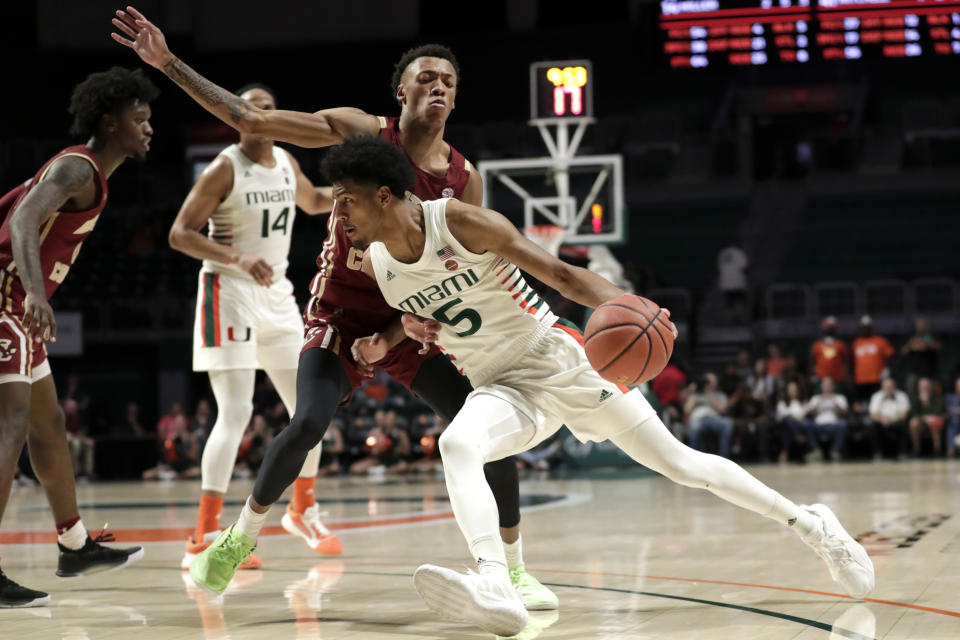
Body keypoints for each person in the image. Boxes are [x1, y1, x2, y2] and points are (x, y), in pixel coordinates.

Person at [331, 135, 873, 636]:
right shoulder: (379, 263)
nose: (339, 211)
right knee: (457, 444)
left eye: (345, 198)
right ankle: (495, 583)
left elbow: (562, 275)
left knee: (681, 464)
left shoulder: (462, 222)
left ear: (382, 196)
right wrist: (407, 328)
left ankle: (814, 527)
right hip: (498, 384)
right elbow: (425, 314)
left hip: (556, 359)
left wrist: (633, 308)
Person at [112, 7, 555, 608]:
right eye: (427, 78)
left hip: (413, 321)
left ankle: (515, 567)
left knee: (482, 426)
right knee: (309, 421)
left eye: (449, 81)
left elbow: (468, 275)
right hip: (340, 317)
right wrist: (168, 64)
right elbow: (250, 117)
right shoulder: (362, 135)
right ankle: (236, 541)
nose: (440, 87)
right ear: (402, 92)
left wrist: (408, 330)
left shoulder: (463, 180)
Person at [167, 83, 341, 571]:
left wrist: (357, 192)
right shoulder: (225, 166)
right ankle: (202, 534)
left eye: (268, 107)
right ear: (236, 117)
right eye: (251, 107)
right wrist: (238, 257)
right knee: (236, 412)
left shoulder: (286, 161)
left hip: (278, 295)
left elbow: (311, 202)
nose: (260, 114)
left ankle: (303, 510)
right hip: (229, 292)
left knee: (311, 409)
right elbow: (180, 234)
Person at [0, 67, 154, 607]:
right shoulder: (76, 167)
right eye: (140, 118)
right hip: (5, 300)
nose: (149, 127)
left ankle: (74, 543)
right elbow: (22, 221)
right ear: (110, 123)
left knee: (48, 425)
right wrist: (38, 294)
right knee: (11, 426)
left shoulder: (91, 175)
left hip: (20, 304)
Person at [684, 373, 734, 458]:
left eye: (712, 381)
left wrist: (709, 394)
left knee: (728, 423)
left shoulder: (720, 395)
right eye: (708, 381)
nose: (710, 384)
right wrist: (693, 393)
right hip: (698, 419)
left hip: (714, 419)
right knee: (695, 426)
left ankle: (724, 459)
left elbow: (722, 409)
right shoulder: (696, 394)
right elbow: (687, 410)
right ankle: (696, 458)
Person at [852, 315, 894, 404]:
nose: (865, 329)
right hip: (860, 380)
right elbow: (851, 361)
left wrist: (887, 369)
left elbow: (889, 356)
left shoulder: (880, 341)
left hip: (876, 379)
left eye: (867, 327)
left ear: (871, 328)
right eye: (863, 327)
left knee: (877, 401)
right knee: (863, 403)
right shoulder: (856, 343)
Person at [805, 377, 848, 461]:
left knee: (843, 424)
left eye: (829, 385)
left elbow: (845, 412)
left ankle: (835, 452)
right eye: (825, 385)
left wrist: (834, 401)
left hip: (834, 425)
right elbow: (809, 413)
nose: (827, 386)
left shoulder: (839, 397)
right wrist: (819, 402)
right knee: (807, 424)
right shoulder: (815, 398)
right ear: (821, 386)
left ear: (833, 386)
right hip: (818, 425)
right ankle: (816, 452)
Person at [776, 381, 819, 463]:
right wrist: (796, 418)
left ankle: (814, 451)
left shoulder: (803, 402)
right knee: (787, 421)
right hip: (787, 426)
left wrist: (800, 418)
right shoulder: (782, 403)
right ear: (787, 391)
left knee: (808, 423)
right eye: (791, 390)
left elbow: (807, 413)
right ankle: (798, 437)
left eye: (795, 389)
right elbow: (783, 415)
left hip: (802, 425)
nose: (793, 391)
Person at [868, 378, 910, 459]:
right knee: (873, 425)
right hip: (881, 422)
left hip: (896, 421)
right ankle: (877, 453)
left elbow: (904, 415)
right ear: (882, 387)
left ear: (895, 386)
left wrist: (891, 420)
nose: (889, 389)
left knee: (903, 424)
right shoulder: (876, 396)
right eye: (886, 387)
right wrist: (883, 420)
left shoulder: (902, 396)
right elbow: (873, 414)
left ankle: (903, 453)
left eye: (890, 386)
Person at [900, 317, 942, 395]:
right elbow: (904, 351)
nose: (920, 327)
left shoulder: (933, 335)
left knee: (935, 392)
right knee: (911, 391)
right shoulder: (911, 335)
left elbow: (939, 347)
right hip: (914, 371)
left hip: (931, 371)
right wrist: (910, 345)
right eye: (918, 325)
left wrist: (925, 344)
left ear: (926, 325)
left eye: (922, 325)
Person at [907, 377, 945, 457]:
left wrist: (927, 403)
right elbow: (913, 413)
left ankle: (937, 451)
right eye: (922, 387)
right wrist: (924, 418)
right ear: (918, 387)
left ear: (930, 386)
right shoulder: (914, 398)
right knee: (913, 423)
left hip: (934, 421)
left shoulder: (937, 397)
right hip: (921, 423)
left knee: (935, 422)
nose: (925, 388)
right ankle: (916, 450)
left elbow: (938, 411)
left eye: (927, 386)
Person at [811, 316, 848, 384]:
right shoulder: (817, 345)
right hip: (821, 380)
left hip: (838, 379)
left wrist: (846, 377)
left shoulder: (840, 344)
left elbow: (845, 363)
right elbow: (813, 363)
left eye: (831, 328)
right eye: (827, 327)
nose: (829, 329)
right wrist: (813, 375)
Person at [944, 377, 960, 458]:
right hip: (953, 424)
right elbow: (948, 411)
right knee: (951, 427)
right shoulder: (949, 398)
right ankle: (951, 450)